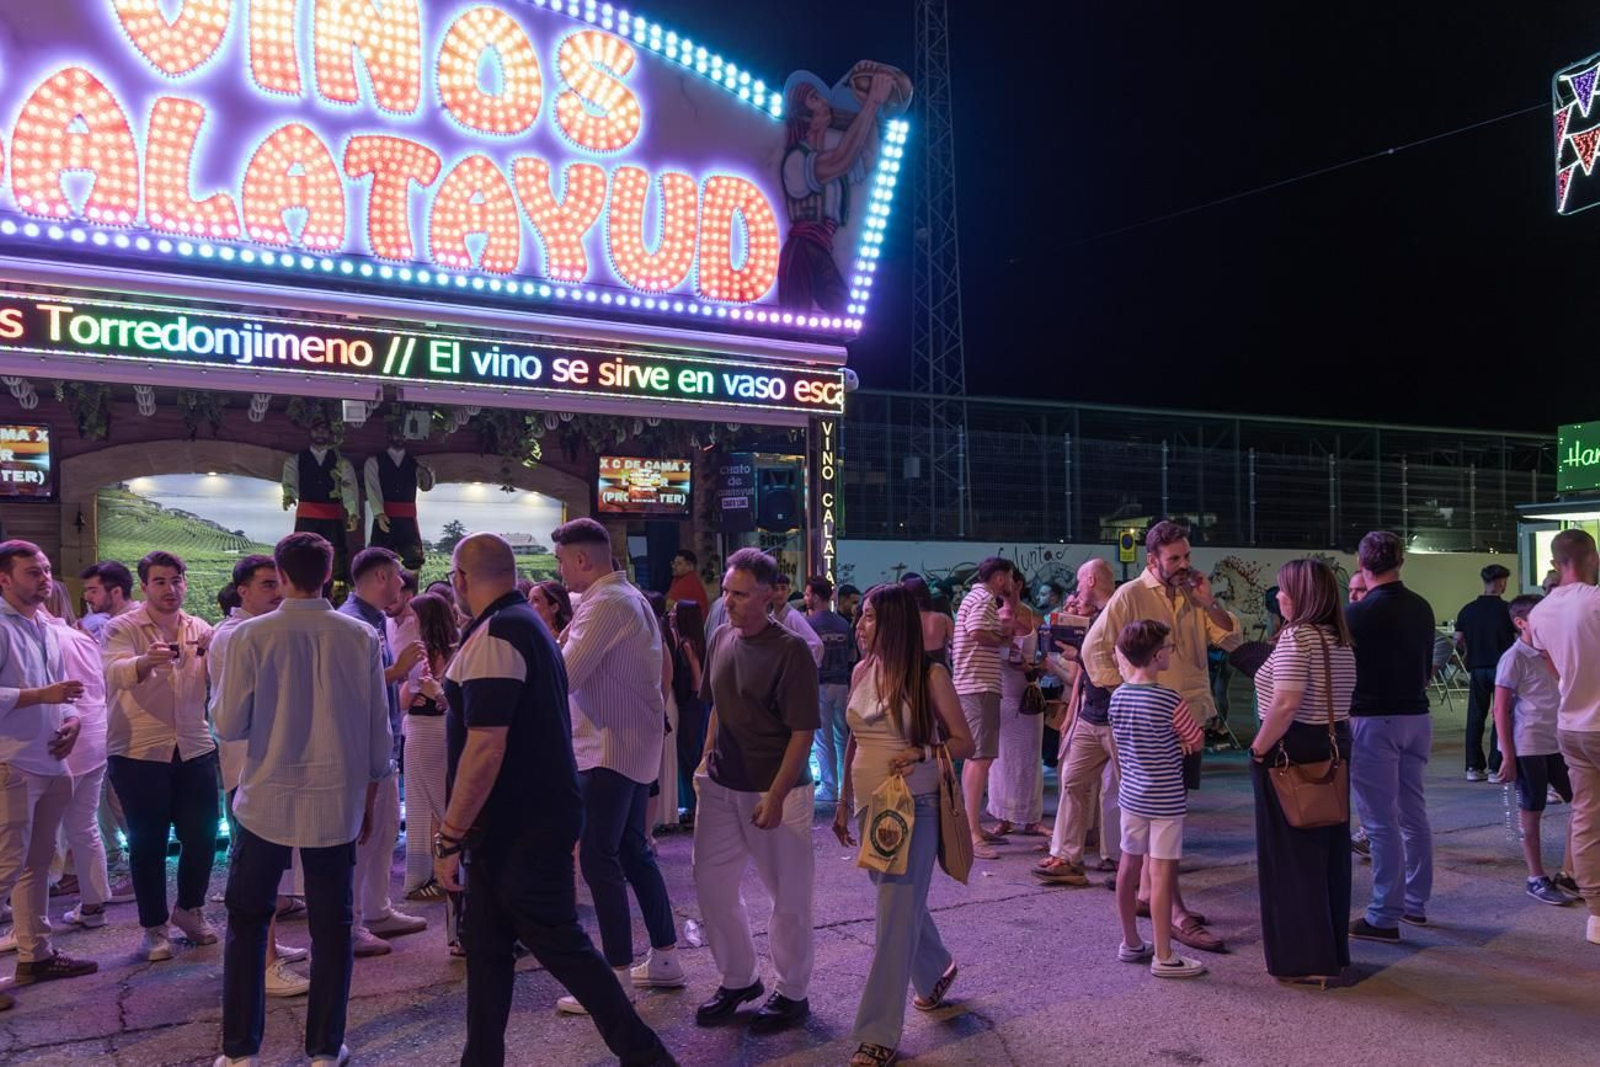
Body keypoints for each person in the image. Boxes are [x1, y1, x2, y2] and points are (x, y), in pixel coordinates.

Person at [431, 533, 673, 1066]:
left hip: (519, 824)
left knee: (563, 945)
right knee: (489, 952)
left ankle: (649, 1056)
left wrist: (449, 835)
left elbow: (485, 747)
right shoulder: (523, 624)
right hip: (516, 823)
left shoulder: (501, 632)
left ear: (462, 579)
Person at [213, 532, 392, 1067]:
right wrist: (373, 792)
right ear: (330, 574)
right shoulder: (360, 637)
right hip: (335, 799)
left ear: (282, 575)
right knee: (332, 927)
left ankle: (240, 1050)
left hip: (264, 797)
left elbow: (227, 724)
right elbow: (378, 734)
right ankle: (323, 1047)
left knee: (247, 921)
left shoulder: (251, 637)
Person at [831, 584, 972, 1067]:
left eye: (869, 617)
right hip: (871, 807)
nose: (859, 625)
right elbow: (854, 738)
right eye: (861, 617)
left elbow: (964, 742)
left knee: (893, 917)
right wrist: (843, 802)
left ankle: (877, 1034)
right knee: (902, 904)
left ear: (892, 623)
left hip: (917, 807)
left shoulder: (929, 675)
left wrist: (923, 751)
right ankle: (936, 969)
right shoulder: (861, 670)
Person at [547, 518, 681, 1012]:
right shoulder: (630, 597)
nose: (559, 571)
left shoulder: (604, 603)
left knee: (599, 857)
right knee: (629, 850)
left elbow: (565, 674)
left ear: (583, 559)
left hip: (607, 747)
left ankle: (615, 976)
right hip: (629, 743)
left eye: (562, 560)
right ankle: (664, 956)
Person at [1083, 522, 1234, 953]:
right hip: (1156, 723)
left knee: (1166, 816)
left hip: (1189, 715)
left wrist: (1209, 601)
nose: (1184, 565)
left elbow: (1228, 635)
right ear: (1152, 560)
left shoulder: (1192, 592)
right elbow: (1095, 649)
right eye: (1174, 559)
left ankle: (1153, 898)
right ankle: (1177, 915)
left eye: (1186, 555)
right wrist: (1131, 692)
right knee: (1162, 819)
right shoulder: (1131, 594)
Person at [692, 548, 819, 1033]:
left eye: (741, 594)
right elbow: (718, 706)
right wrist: (705, 761)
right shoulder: (722, 635)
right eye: (726, 591)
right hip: (723, 783)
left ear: (769, 595)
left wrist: (778, 793)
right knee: (711, 885)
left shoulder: (790, 651)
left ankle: (792, 993)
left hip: (775, 790)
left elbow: (802, 732)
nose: (730, 601)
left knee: (789, 897)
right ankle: (739, 977)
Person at [102, 550, 220, 961]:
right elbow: (112, 672)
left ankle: (190, 909)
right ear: (145, 587)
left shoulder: (199, 627)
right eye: (160, 582)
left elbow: (218, 680)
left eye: (176, 580)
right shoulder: (123, 627)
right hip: (138, 751)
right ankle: (154, 927)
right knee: (148, 843)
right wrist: (144, 661)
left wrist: (214, 649)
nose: (170, 589)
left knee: (204, 837)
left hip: (194, 745)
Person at [1246, 560, 1358, 983]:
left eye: (1284, 591)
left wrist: (1258, 750)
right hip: (1333, 747)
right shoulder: (1339, 639)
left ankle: (1303, 960)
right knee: (1327, 855)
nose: (1278, 597)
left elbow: (1286, 703)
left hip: (1290, 749)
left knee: (1290, 860)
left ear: (1304, 597)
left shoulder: (1296, 638)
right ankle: (1330, 954)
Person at [0, 541, 97, 1008]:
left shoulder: (45, 627)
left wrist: (72, 719)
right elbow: (36, 692)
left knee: (39, 866)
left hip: (52, 758)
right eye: (31, 571)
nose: (43, 578)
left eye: (46, 570)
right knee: (4, 868)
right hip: (12, 761)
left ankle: (35, 954)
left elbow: (64, 694)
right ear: (4, 579)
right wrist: (43, 696)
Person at [207, 553, 308, 998]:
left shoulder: (255, 632)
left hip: (264, 762)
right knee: (254, 866)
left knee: (268, 864)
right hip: (249, 764)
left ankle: (267, 948)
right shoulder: (237, 635)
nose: (277, 593)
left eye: (278, 583)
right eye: (267, 585)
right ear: (242, 591)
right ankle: (262, 964)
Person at [337, 546, 428, 956]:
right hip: (361, 748)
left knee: (385, 829)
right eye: (394, 577)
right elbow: (355, 687)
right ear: (378, 578)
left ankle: (376, 910)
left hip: (383, 742)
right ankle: (351, 922)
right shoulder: (353, 622)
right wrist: (398, 669)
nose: (400, 585)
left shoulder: (373, 620)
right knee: (363, 834)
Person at [1345, 530, 1435, 943]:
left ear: (1363, 564)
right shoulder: (1421, 607)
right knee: (1414, 814)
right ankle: (1415, 903)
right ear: (1402, 561)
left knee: (1380, 823)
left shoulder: (1358, 614)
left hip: (1373, 720)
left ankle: (1383, 915)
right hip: (1416, 717)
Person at [1108, 619, 1206, 979]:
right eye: (1168, 648)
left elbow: (1118, 742)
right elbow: (1195, 740)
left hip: (1132, 795)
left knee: (1128, 867)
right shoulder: (1169, 699)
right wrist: (1177, 745)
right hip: (1165, 798)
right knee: (1161, 873)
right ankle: (1165, 954)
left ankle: (1130, 941)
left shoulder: (1118, 696)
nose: (1171, 652)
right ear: (1155, 656)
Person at [1527, 529, 1600, 943]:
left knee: (1587, 819)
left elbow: (1553, 666)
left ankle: (1597, 917)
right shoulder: (1595, 600)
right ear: (1592, 556)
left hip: (1571, 726)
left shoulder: (1539, 612)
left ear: (1556, 563)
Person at [1493, 594, 1579, 906]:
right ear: (1521, 623)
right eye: (1539, 617)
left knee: (1582, 805)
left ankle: (1571, 873)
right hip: (1529, 745)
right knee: (1532, 812)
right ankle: (1536, 877)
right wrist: (1507, 754)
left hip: (1561, 742)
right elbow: (1500, 709)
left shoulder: (1553, 651)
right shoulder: (1514, 657)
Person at [1037, 558, 1118, 884]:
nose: (1076, 587)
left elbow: (1115, 659)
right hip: (1091, 713)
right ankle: (1067, 856)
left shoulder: (1117, 612)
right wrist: (1072, 716)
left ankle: (1126, 860)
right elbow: (1085, 672)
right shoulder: (1097, 617)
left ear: (1091, 579)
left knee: (1123, 790)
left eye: (1079, 580)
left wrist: (1077, 655)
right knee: (1072, 780)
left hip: (1116, 714)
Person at [41, 585, 110, 929]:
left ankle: (28, 921)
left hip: (59, 743)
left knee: (36, 835)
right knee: (85, 827)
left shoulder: (41, 637)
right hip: (95, 741)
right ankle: (94, 906)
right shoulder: (82, 637)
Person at [951, 557, 1013, 860]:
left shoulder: (972, 596)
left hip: (971, 685)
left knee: (977, 758)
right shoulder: (985, 598)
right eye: (1010, 579)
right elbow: (977, 631)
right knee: (981, 758)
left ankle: (971, 824)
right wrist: (1003, 637)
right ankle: (972, 833)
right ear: (1000, 578)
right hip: (979, 685)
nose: (1013, 585)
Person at [399, 593, 458, 905]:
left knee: (436, 805)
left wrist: (429, 691)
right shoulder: (435, 654)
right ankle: (434, 874)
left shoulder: (452, 654)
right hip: (421, 731)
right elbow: (404, 701)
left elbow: (410, 701)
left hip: (432, 732)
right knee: (428, 804)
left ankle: (442, 873)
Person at [989, 568, 1045, 837]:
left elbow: (1048, 657)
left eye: (1009, 581)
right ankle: (1002, 815)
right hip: (1004, 691)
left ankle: (1030, 816)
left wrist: (1032, 666)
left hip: (1028, 692)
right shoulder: (995, 616)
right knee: (1002, 758)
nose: (1003, 586)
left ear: (1019, 584)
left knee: (1029, 757)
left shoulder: (1035, 617)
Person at [280, 412, 359, 586]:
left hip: (332, 515)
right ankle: (302, 586)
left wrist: (353, 512)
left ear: (331, 434)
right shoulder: (295, 460)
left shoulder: (341, 462)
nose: (321, 434)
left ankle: (338, 590)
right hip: (306, 514)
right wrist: (289, 495)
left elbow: (348, 487)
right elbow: (289, 481)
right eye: (317, 430)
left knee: (336, 553)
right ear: (310, 432)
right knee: (302, 550)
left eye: (324, 431)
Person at [1456, 563, 1516, 781]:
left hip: (1478, 669)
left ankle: (1473, 767)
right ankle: (1495, 767)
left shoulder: (1468, 610)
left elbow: (1459, 639)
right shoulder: (1508, 610)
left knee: (1475, 717)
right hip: (1502, 671)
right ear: (1501, 583)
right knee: (1500, 716)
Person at [805, 576, 855, 804]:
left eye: (807, 594)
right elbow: (853, 655)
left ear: (815, 597)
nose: (805, 598)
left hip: (820, 684)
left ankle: (829, 787)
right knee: (841, 737)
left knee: (823, 739)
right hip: (842, 683)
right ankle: (848, 786)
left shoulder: (809, 624)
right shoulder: (843, 624)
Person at [669, 601, 708, 828]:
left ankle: (695, 809)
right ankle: (696, 807)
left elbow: (696, 676)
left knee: (689, 756)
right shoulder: (699, 641)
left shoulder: (686, 644)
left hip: (692, 704)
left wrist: (691, 698)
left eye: (675, 611)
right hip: (699, 704)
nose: (671, 614)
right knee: (695, 753)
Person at [769, 573, 824, 667]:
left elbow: (816, 645)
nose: (779, 593)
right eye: (775, 589)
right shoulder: (771, 618)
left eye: (783, 588)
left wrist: (802, 668)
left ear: (788, 591)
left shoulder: (793, 617)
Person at [78, 560, 133, 645]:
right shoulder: (115, 621)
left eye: (93, 591)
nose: (86, 597)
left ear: (116, 592)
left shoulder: (134, 624)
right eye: (86, 591)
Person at [902, 574, 953, 667]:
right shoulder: (943, 619)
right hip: (941, 671)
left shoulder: (902, 622)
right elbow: (959, 645)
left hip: (912, 672)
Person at [667, 549, 709, 616]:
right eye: (673, 563)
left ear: (690, 567)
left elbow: (668, 608)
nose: (674, 566)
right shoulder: (677, 579)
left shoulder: (688, 582)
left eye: (679, 564)